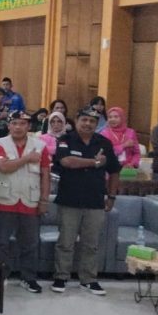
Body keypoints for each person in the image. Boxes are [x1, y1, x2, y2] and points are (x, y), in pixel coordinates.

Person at [51, 107, 121, 295]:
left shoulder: (104, 143)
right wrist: (94, 162)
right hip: (69, 199)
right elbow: (67, 161)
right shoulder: (65, 139)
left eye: (92, 121)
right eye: (84, 120)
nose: (88, 124)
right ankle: (61, 277)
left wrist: (111, 196)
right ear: (76, 120)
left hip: (95, 200)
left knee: (91, 244)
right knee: (65, 242)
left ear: (97, 124)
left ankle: (89, 279)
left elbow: (114, 171)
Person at [0, 111, 51, 293]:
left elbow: (45, 175)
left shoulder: (40, 146)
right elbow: (3, 167)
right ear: (9, 125)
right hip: (5, 199)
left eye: (22, 124)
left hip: (30, 199)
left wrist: (44, 200)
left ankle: (28, 278)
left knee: (30, 243)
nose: (18, 127)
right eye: (14, 123)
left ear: (29, 126)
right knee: (1, 241)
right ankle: (1, 275)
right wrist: (27, 158)